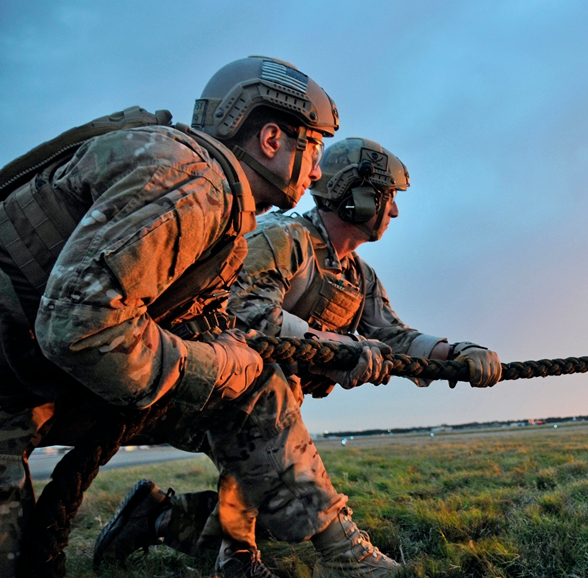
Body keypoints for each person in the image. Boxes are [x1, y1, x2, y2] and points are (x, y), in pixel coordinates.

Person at [0, 56, 389, 578]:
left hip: (22, 386)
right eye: (313, 147)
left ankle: (329, 551)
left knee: (253, 383)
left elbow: (202, 322)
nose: (318, 170)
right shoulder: (197, 183)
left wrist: (283, 356)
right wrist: (216, 365)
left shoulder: (211, 196)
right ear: (272, 139)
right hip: (25, 388)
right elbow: (79, 327)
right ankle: (332, 554)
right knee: (247, 382)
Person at [98, 136, 503, 575]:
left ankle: (159, 519)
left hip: (259, 408)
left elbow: (393, 337)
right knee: (275, 446)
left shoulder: (357, 276)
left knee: (276, 505)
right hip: (195, 391)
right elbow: (241, 313)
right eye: (389, 198)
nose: (395, 212)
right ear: (358, 195)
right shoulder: (282, 238)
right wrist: (338, 347)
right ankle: (342, 552)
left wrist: (457, 354)